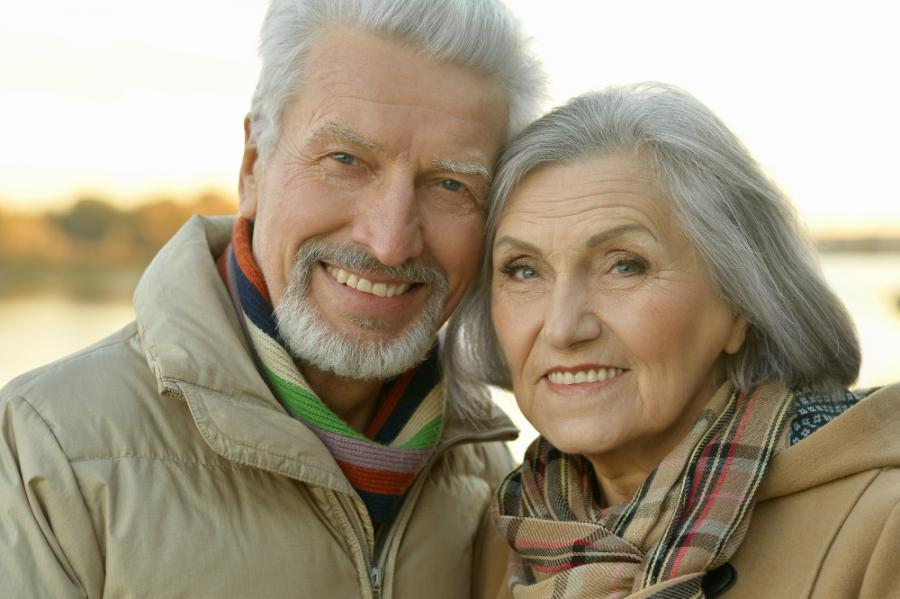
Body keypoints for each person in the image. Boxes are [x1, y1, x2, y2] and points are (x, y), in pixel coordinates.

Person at [0, 1, 544, 597]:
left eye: (449, 184)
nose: (390, 243)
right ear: (253, 167)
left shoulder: (495, 479)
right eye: (345, 160)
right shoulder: (46, 453)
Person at [447, 83, 900, 597]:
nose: (562, 327)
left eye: (625, 264)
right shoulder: (510, 534)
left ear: (740, 303)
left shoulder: (884, 530)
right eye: (524, 270)